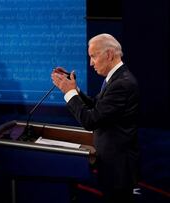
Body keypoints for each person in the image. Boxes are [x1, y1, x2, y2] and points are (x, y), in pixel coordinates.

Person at [51, 33, 140, 202]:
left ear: (109, 54)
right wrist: (74, 89)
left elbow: (91, 120)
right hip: (113, 162)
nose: (91, 63)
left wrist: (69, 93)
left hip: (119, 167)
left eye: (93, 56)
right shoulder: (116, 78)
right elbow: (96, 106)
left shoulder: (122, 83)